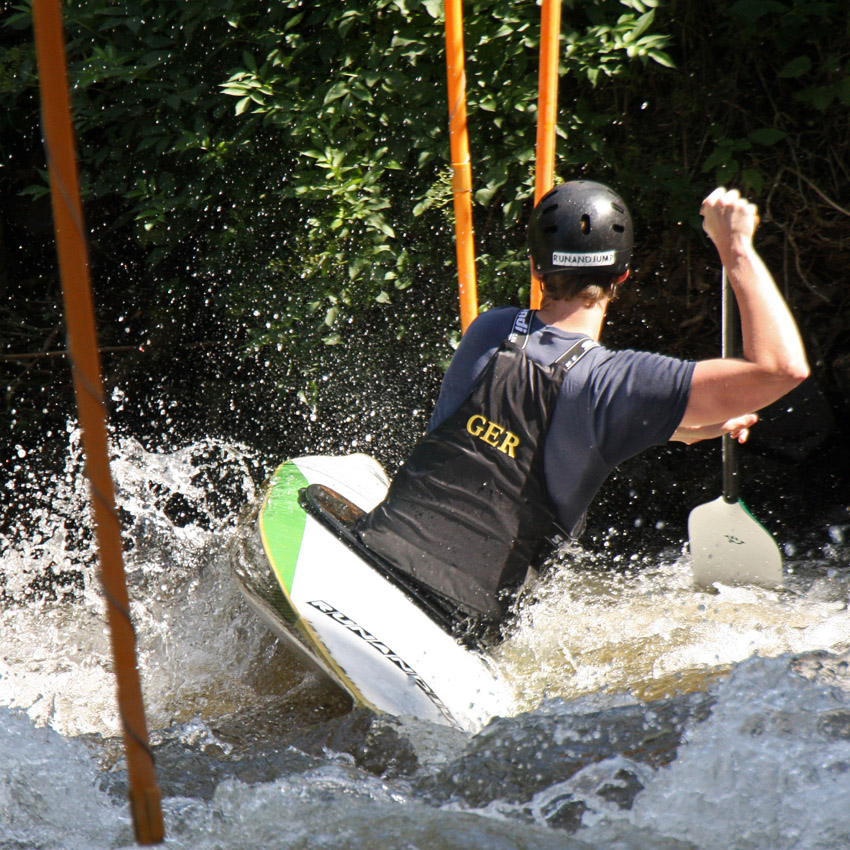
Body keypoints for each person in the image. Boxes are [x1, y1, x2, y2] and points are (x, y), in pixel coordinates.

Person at [353, 180, 809, 636]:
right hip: (466, 626)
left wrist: (681, 426)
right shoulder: (619, 384)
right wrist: (736, 249)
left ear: (535, 268)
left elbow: (547, 414)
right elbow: (781, 369)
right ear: (623, 276)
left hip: (381, 555)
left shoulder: (489, 330)